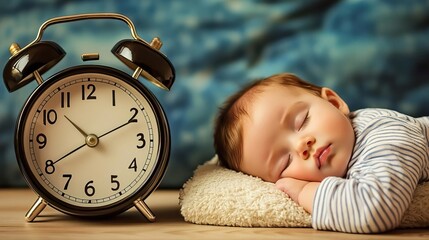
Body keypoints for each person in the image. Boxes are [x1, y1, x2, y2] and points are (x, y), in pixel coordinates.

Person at [213, 73, 429, 233]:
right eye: (285, 162)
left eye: (301, 121)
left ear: (333, 102)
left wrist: (304, 191)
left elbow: (376, 210)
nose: (301, 145)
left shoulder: (387, 134)